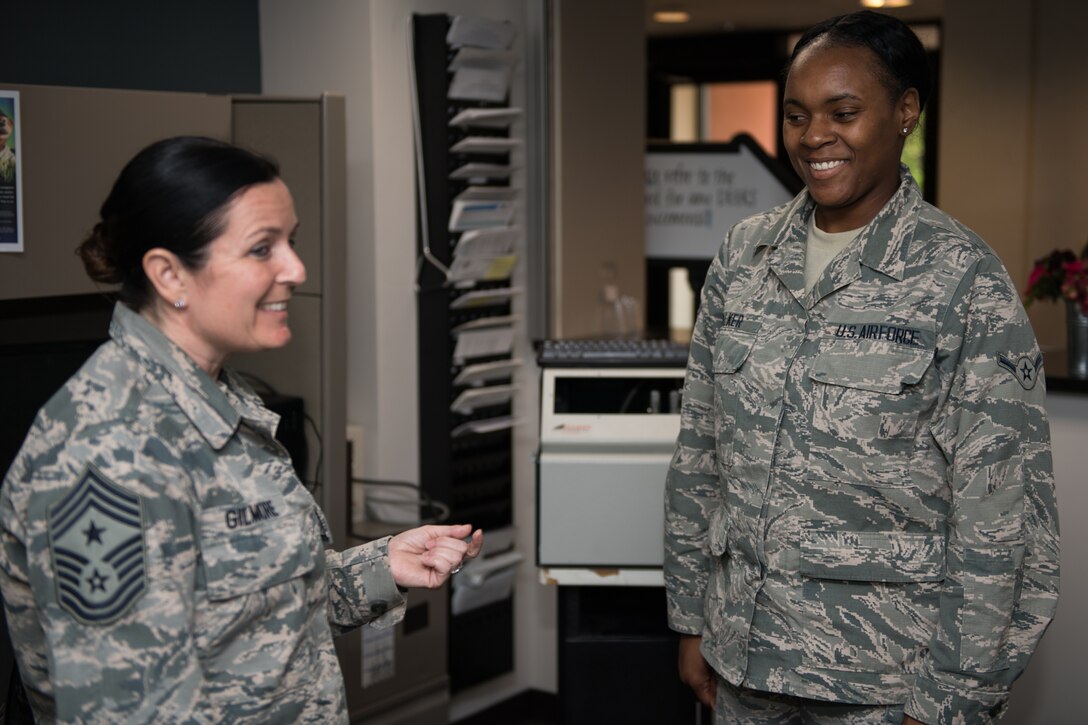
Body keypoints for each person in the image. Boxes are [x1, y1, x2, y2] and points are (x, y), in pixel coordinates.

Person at [0, 135, 483, 723]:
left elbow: (255, 611)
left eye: (291, 241)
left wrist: (382, 567)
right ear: (169, 275)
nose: (296, 269)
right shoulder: (112, 450)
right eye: (262, 249)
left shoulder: (219, 397)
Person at [664, 11, 1059, 725]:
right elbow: (700, 457)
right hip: (743, 663)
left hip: (883, 686)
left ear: (906, 111)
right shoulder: (745, 258)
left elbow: (1003, 519)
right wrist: (691, 619)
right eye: (795, 114)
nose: (814, 136)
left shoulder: (961, 279)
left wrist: (951, 699)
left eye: (843, 112)